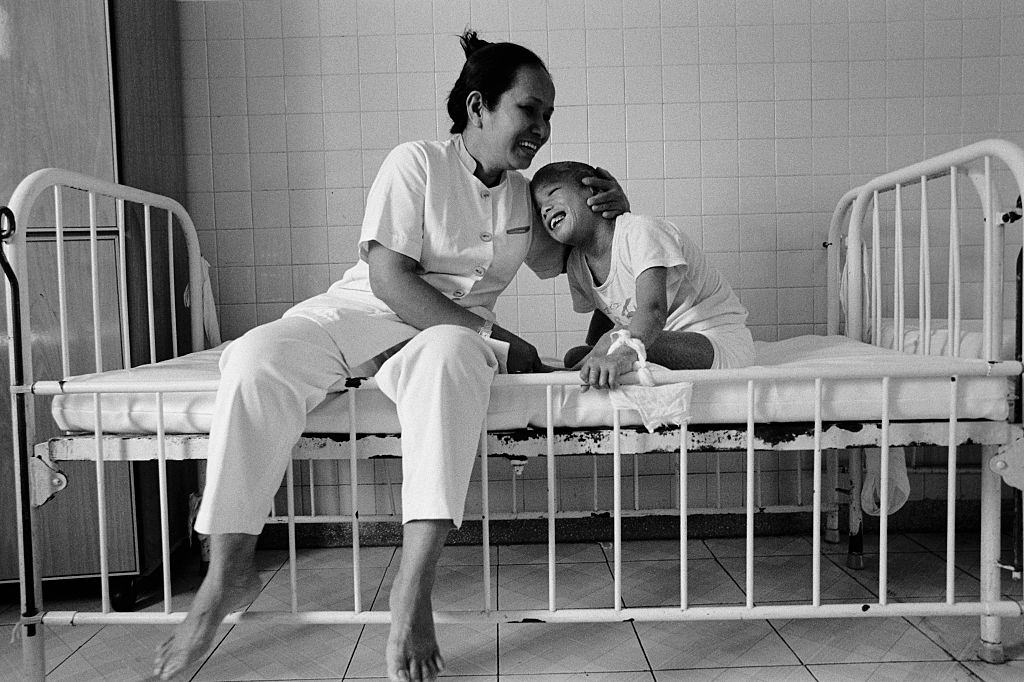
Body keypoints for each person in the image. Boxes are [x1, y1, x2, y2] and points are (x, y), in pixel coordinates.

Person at [153, 31, 628, 682]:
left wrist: (613, 215)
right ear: (478, 106)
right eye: (530, 109)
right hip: (361, 313)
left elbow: (574, 251)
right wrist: (504, 342)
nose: (542, 127)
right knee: (256, 358)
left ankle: (413, 587)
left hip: (442, 337)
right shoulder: (417, 163)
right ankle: (226, 574)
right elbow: (389, 280)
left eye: (549, 114)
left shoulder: (523, 198)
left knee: (455, 358)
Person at [529, 160, 753, 391]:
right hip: (656, 338)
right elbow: (607, 311)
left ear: (593, 190)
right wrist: (594, 351)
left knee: (614, 341)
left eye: (553, 194)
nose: (545, 209)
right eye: (539, 209)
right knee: (578, 353)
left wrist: (613, 351)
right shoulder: (577, 265)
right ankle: (580, 366)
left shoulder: (640, 231)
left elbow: (653, 311)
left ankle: (569, 375)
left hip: (714, 343)